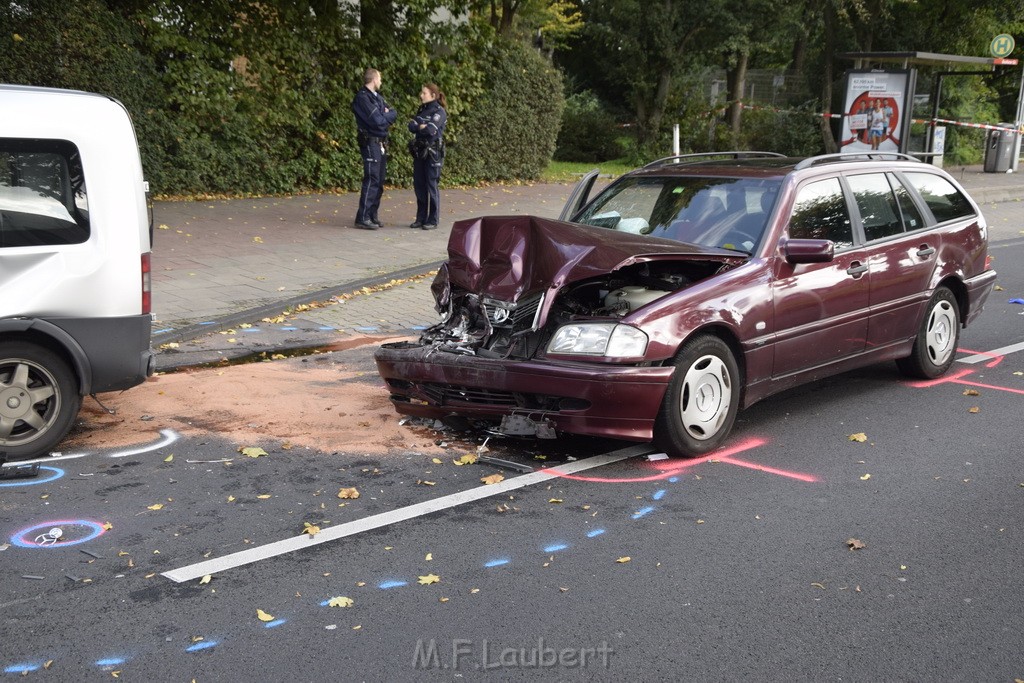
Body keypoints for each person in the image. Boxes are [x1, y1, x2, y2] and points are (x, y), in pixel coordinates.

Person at [351, 68, 397, 230]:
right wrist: (384, 116)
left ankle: (372, 215)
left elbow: (393, 113)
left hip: (381, 143)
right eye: (380, 79)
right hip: (370, 142)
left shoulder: (377, 98)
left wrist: (385, 115)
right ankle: (362, 217)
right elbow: (376, 121)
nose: (381, 82)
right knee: (372, 179)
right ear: (374, 79)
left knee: (380, 180)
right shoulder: (362, 98)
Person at [407, 83, 447, 230]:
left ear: (433, 95)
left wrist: (421, 126)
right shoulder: (422, 110)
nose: (421, 95)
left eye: (424, 93)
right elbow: (411, 126)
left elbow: (430, 130)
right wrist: (420, 126)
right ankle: (421, 218)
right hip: (420, 151)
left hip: (433, 153)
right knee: (419, 185)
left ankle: (433, 219)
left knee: (431, 185)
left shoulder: (439, 111)